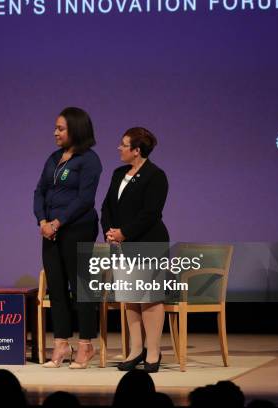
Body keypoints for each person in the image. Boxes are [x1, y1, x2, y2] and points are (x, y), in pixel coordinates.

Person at [33, 107, 102, 369]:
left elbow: (85, 199)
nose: (55, 133)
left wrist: (59, 222)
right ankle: (61, 343)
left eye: (60, 128)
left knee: (80, 287)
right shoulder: (53, 158)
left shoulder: (89, 160)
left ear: (76, 129)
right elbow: (39, 191)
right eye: (56, 128)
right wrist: (42, 221)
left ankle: (86, 345)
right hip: (50, 230)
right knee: (57, 287)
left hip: (77, 229)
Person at [100, 127, 169, 373]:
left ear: (137, 150)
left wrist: (124, 233)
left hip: (148, 243)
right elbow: (107, 206)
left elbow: (151, 214)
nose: (119, 148)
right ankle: (136, 350)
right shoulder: (118, 173)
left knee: (149, 299)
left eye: (124, 144)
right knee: (130, 299)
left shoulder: (155, 175)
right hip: (121, 246)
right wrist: (110, 231)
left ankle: (153, 352)